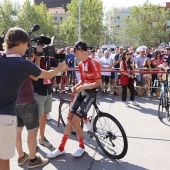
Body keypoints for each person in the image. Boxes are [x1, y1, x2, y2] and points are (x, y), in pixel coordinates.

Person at [0, 26, 67, 170]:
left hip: (10, 112)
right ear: (20, 43)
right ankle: (31, 157)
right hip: (5, 117)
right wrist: (59, 68)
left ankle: (23, 155)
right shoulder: (23, 64)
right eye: (27, 44)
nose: (28, 48)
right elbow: (46, 75)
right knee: (3, 160)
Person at [47, 41, 102, 158]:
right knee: (69, 120)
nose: (73, 53)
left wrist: (82, 86)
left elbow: (98, 83)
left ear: (81, 50)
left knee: (75, 121)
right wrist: (77, 86)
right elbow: (83, 80)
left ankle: (81, 146)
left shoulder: (94, 63)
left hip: (91, 93)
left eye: (75, 50)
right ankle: (61, 148)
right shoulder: (81, 64)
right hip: (83, 91)